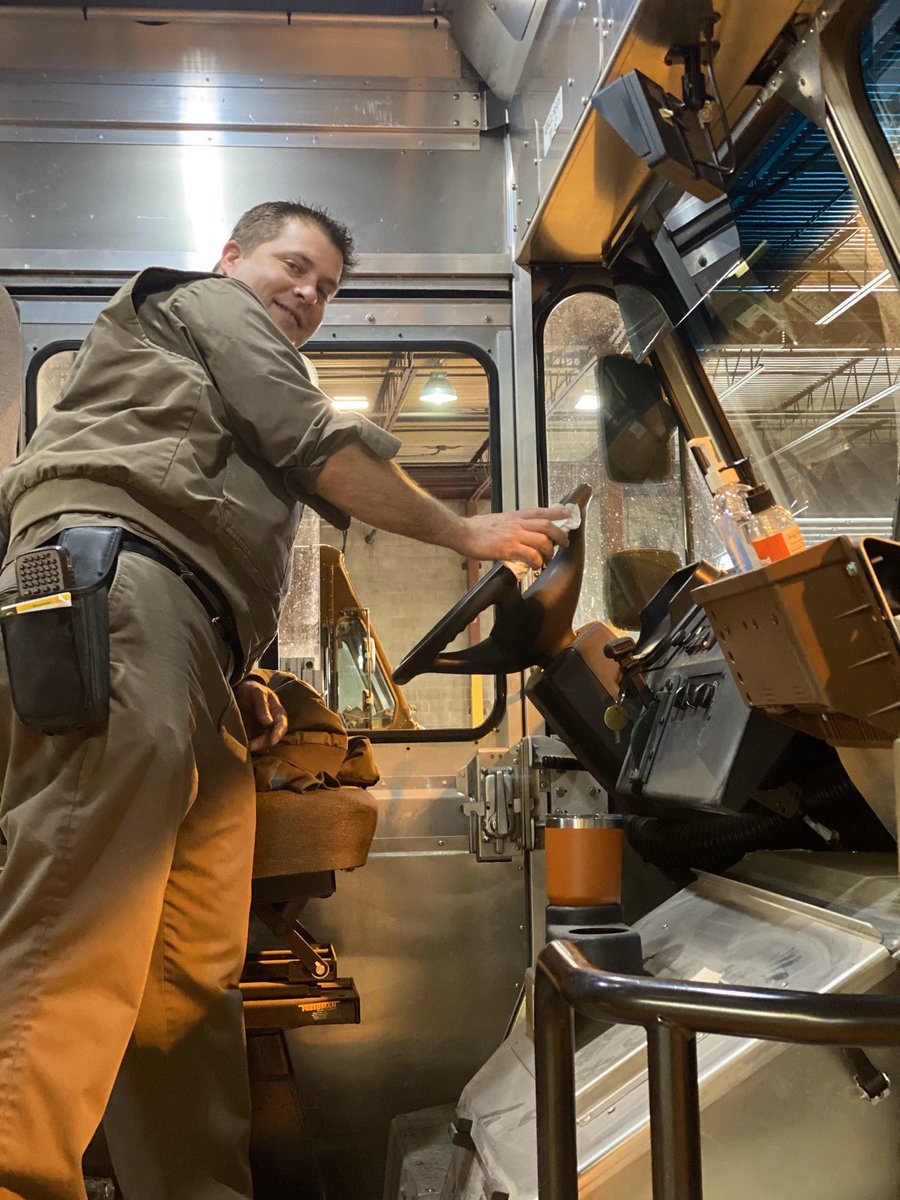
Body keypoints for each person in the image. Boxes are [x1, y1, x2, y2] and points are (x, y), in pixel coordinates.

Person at [0, 199, 569, 1200]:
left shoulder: (207, 375)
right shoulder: (205, 306)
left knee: (185, 981)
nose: (307, 294)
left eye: (326, 287)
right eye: (292, 265)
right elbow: (316, 444)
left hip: (184, 633)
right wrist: (471, 537)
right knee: (70, 927)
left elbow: (215, 514)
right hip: (114, 589)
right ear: (232, 258)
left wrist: (237, 677)